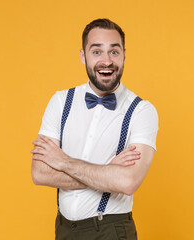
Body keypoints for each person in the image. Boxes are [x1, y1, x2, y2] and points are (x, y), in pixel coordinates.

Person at [31, 18, 159, 240]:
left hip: (111, 230)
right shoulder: (61, 101)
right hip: (63, 229)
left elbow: (127, 182)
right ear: (83, 56)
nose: (106, 61)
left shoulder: (142, 111)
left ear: (124, 55)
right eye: (97, 52)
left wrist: (63, 162)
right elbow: (39, 172)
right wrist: (108, 170)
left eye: (114, 52)